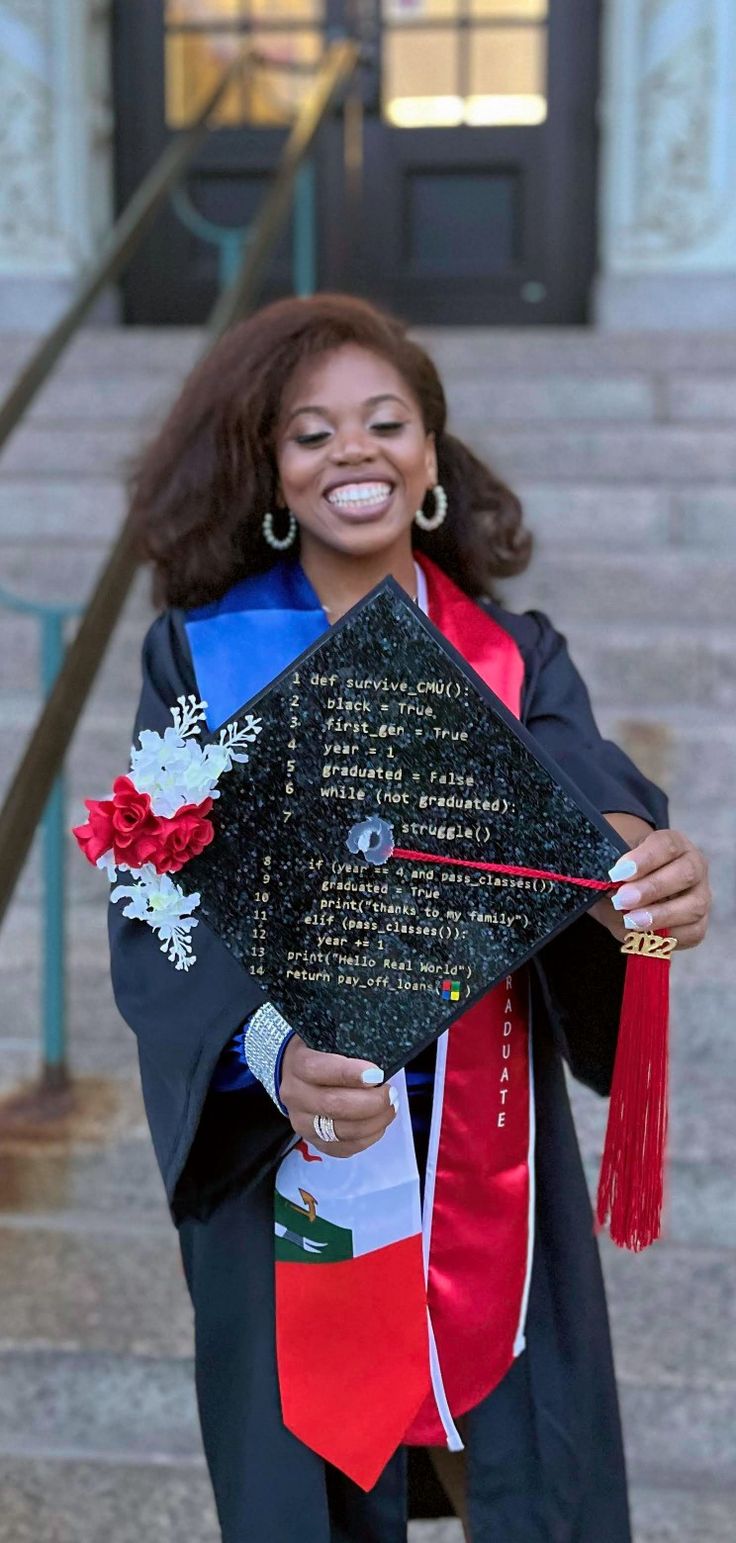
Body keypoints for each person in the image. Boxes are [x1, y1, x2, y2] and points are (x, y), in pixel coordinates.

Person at [110, 293, 711, 1543]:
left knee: (529, 1480)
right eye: (310, 433)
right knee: (304, 1495)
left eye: (385, 423)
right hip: (292, 1144)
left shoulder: (512, 653)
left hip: (484, 1139)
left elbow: (589, 803)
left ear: (432, 455)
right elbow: (157, 897)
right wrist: (273, 1054)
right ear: (271, 473)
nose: (354, 454)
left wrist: (641, 880)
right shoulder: (201, 658)